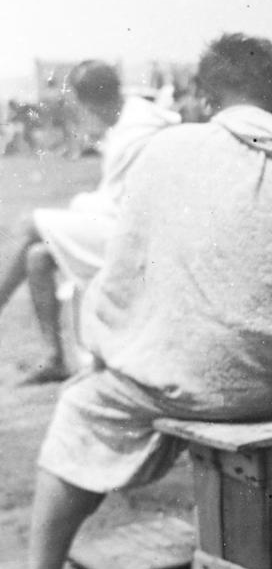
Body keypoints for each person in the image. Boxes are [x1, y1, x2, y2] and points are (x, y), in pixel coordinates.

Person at [0, 33, 272, 569]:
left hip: (208, 380)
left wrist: (116, 345)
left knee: (86, 405)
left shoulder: (168, 152)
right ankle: (247, 544)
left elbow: (123, 276)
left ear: (205, 97)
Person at [0, 61, 178, 383]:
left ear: (87, 103)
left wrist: (83, 205)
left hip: (138, 239)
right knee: (37, 257)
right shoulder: (130, 123)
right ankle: (54, 358)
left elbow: (123, 207)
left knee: (31, 223)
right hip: (122, 228)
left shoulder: (138, 131)